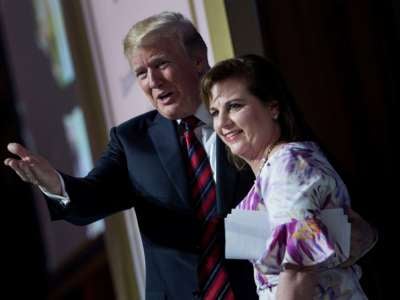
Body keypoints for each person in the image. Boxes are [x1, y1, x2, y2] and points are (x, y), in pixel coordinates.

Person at [3, 12, 257, 300]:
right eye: (141, 73)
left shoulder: (249, 113)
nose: (153, 81)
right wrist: (55, 184)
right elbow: (91, 198)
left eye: (162, 64)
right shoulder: (132, 141)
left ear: (198, 61)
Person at [201, 54, 377, 299]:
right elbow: (359, 236)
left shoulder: (288, 164)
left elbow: (297, 273)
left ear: (273, 107)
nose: (222, 123)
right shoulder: (271, 172)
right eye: (214, 111)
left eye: (235, 106)